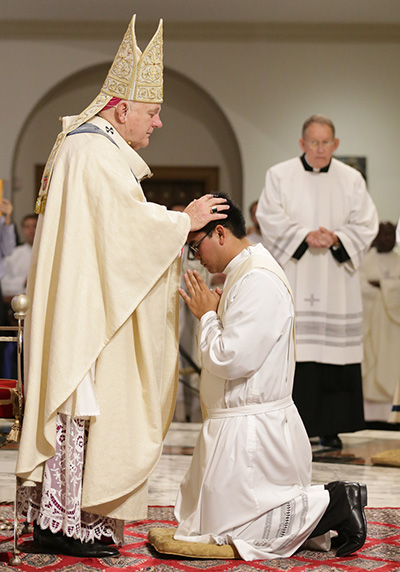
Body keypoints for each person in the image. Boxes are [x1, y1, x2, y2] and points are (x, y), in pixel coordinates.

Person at [15, 15, 228, 559]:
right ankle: (68, 526)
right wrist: (185, 218)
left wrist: (173, 224)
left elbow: (121, 230)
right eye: (152, 113)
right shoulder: (92, 151)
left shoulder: (94, 150)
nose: (156, 125)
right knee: (85, 404)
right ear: (120, 107)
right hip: (85, 313)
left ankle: (72, 521)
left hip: (89, 302)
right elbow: (126, 232)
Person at [174, 193, 368, 561]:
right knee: (203, 528)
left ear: (219, 233)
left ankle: (336, 501)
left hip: (255, 434)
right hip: (241, 425)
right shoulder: (240, 273)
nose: (194, 255)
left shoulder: (258, 279)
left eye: (194, 245)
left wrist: (207, 317)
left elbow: (233, 359)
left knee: (235, 536)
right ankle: (328, 507)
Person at [256, 114, 378, 449]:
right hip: (297, 275)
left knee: (334, 357)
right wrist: (302, 235)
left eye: (326, 143)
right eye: (314, 142)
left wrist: (337, 237)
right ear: (302, 143)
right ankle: (293, 428)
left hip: (336, 282)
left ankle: (332, 428)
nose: (320, 149)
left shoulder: (351, 179)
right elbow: (268, 216)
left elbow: (367, 223)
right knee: (298, 354)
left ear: (335, 145)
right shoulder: (279, 175)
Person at [360, 222, 400, 424]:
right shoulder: (367, 261)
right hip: (372, 324)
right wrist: (381, 288)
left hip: (393, 328)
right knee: (372, 360)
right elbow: (359, 286)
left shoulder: (399, 260)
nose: (388, 239)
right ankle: (372, 416)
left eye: (391, 235)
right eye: (384, 235)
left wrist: (384, 286)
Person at [1, 213, 38, 298]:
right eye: (27, 227)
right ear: (23, 230)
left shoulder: (49, 254)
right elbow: (3, 283)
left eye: (34, 226)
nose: (31, 230)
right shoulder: (13, 254)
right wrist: (23, 282)